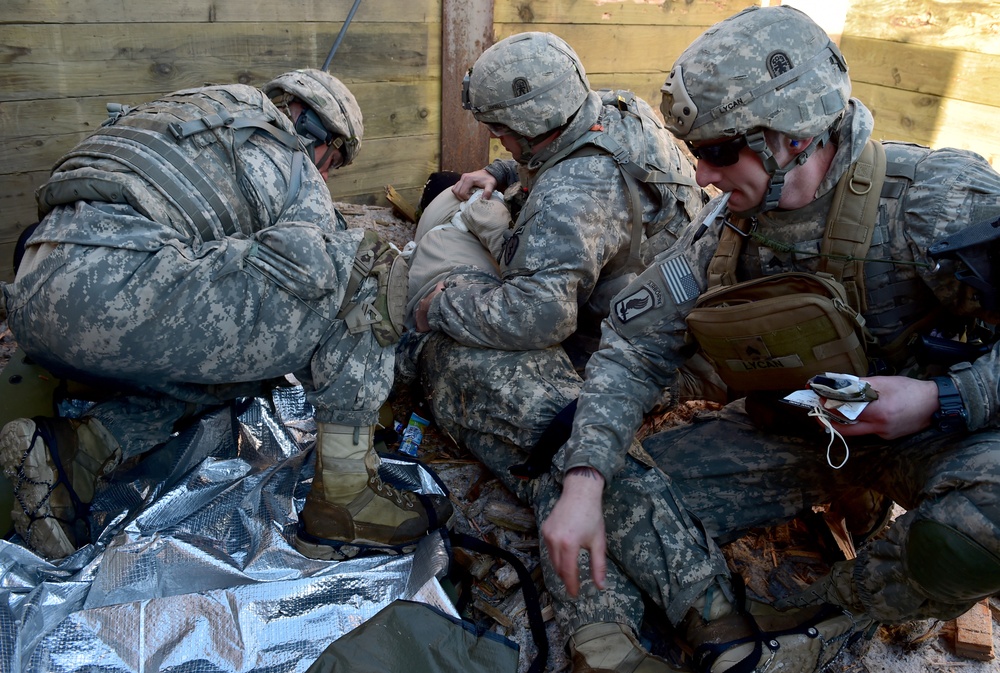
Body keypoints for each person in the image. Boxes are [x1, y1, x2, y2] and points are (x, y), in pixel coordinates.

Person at [541, 6, 1000, 672]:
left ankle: (831, 612)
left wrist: (939, 398)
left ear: (792, 138)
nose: (701, 175)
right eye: (698, 152)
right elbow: (634, 350)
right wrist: (584, 483)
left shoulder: (937, 203)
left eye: (720, 151)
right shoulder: (727, 225)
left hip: (933, 436)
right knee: (588, 481)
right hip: (795, 431)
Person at [0, 68, 451, 562]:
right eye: (334, 162)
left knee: (235, 354)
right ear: (318, 132)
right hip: (118, 295)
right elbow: (328, 274)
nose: (326, 175)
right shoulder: (288, 152)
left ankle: (77, 449)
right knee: (369, 270)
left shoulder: (193, 114)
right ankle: (347, 502)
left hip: (36, 298)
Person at [404, 31, 710, 672]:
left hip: (646, 351)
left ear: (523, 127)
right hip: (670, 308)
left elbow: (539, 316)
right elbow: (560, 151)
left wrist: (443, 306)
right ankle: (666, 629)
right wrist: (505, 175)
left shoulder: (574, 195)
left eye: (500, 136)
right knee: (562, 440)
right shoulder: (614, 109)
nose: (498, 145)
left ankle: (609, 635)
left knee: (553, 435)